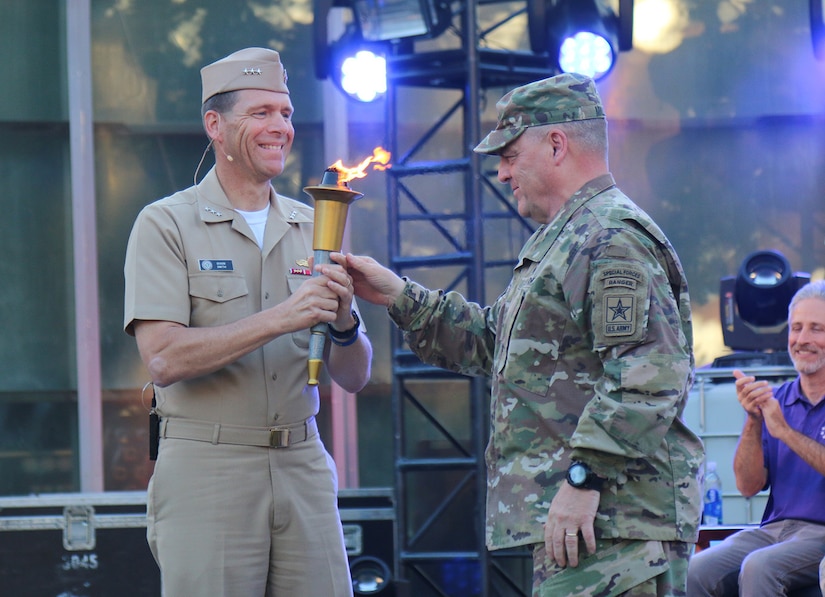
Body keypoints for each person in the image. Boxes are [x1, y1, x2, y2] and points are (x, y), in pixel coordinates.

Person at [345, 73, 704, 596]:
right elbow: (497, 343)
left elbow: (648, 376)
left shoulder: (608, 238)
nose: (501, 170)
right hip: (590, 526)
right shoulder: (565, 238)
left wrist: (585, 479)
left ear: (556, 144)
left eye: (511, 153)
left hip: (615, 525)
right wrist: (399, 296)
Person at [123, 47, 372, 597]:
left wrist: (344, 319)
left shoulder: (314, 224)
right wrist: (282, 317)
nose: (279, 126)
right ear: (215, 124)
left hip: (303, 460)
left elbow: (354, 377)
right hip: (209, 465)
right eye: (260, 113)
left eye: (284, 113)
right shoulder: (166, 224)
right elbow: (164, 359)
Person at [686, 280, 825, 596]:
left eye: (817, 329)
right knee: (695, 570)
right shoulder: (779, 400)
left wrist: (786, 433)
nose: (802, 339)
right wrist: (753, 419)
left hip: (820, 535)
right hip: (773, 531)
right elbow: (747, 487)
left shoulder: (781, 417)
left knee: (759, 567)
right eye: (796, 328)